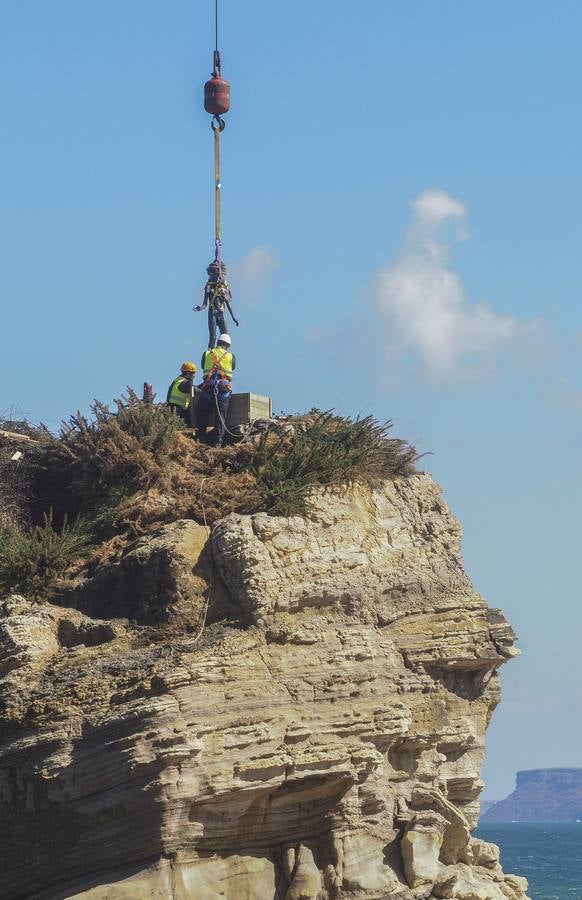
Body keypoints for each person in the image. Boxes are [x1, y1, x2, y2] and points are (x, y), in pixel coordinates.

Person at [196, 334, 236, 447]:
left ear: (217, 343)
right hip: (223, 389)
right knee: (221, 416)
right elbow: (232, 367)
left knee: (201, 413)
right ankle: (217, 442)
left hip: (208, 388)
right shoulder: (231, 356)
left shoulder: (207, 353)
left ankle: (201, 439)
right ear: (228, 345)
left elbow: (203, 366)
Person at [194, 259, 239, 349]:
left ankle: (224, 355)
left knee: (225, 336)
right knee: (213, 337)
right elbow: (205, 304)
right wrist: (200, 308)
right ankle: (210, 354)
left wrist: (234, 317)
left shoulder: (224, 289)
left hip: (221, 313)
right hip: (212, 313)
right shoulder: (209, 288)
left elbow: (228, 304)